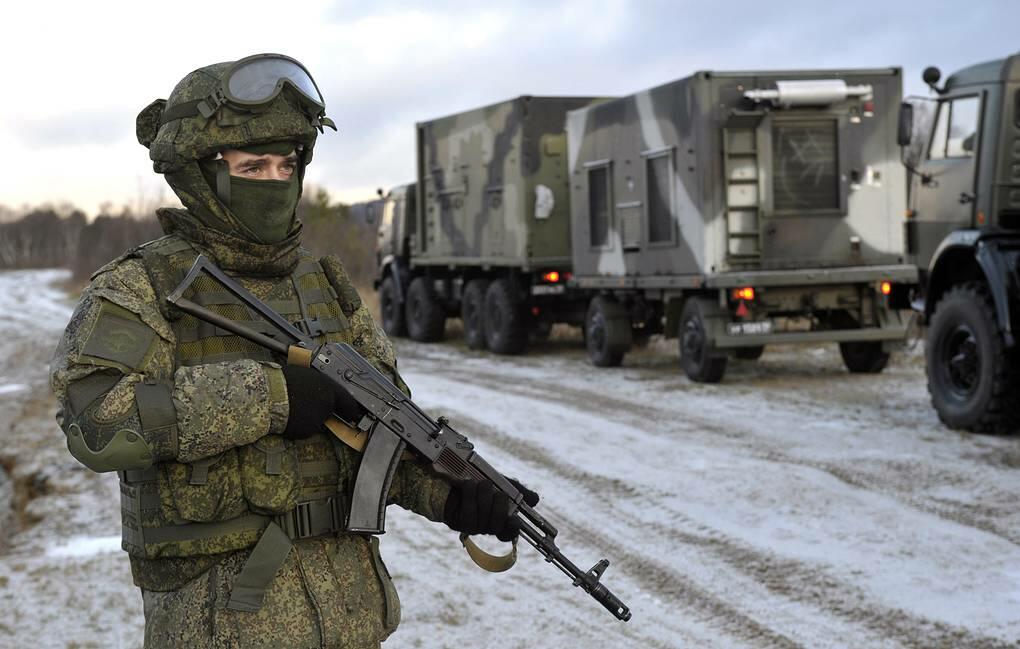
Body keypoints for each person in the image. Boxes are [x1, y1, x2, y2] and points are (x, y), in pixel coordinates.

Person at [49, 53, 536, 648]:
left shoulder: (327, 287)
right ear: (201, 175)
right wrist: (273, 396)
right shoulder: (140, 288)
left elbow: (381, 437)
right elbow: (96, 424)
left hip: (351, 618)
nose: (276, 181)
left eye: (288, 164)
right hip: (225, 624)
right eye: (253, 165)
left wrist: (455, 495)